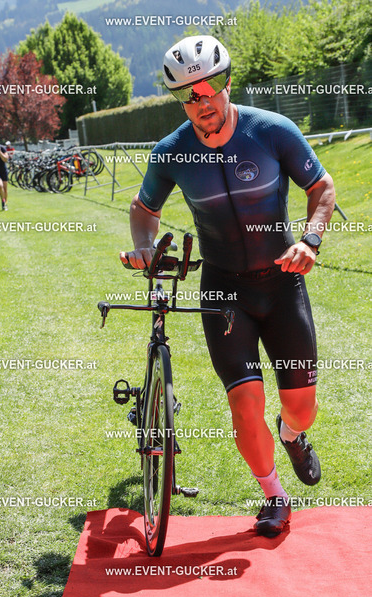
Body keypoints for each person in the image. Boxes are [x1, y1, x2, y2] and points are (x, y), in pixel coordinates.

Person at [120, 35, 335, 537]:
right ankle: (274, 496)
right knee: (245, 403)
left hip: (282, 284)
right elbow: (143, 208)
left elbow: (321, 187)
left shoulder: (271, 131)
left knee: (301, 408)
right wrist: (145, 247)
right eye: (187, 94)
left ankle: (292, 435)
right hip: (223, 292)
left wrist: (310, 239)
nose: (202, 102)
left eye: (210, 88)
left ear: (228, 82)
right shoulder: (172, 152)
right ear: (178, 100)